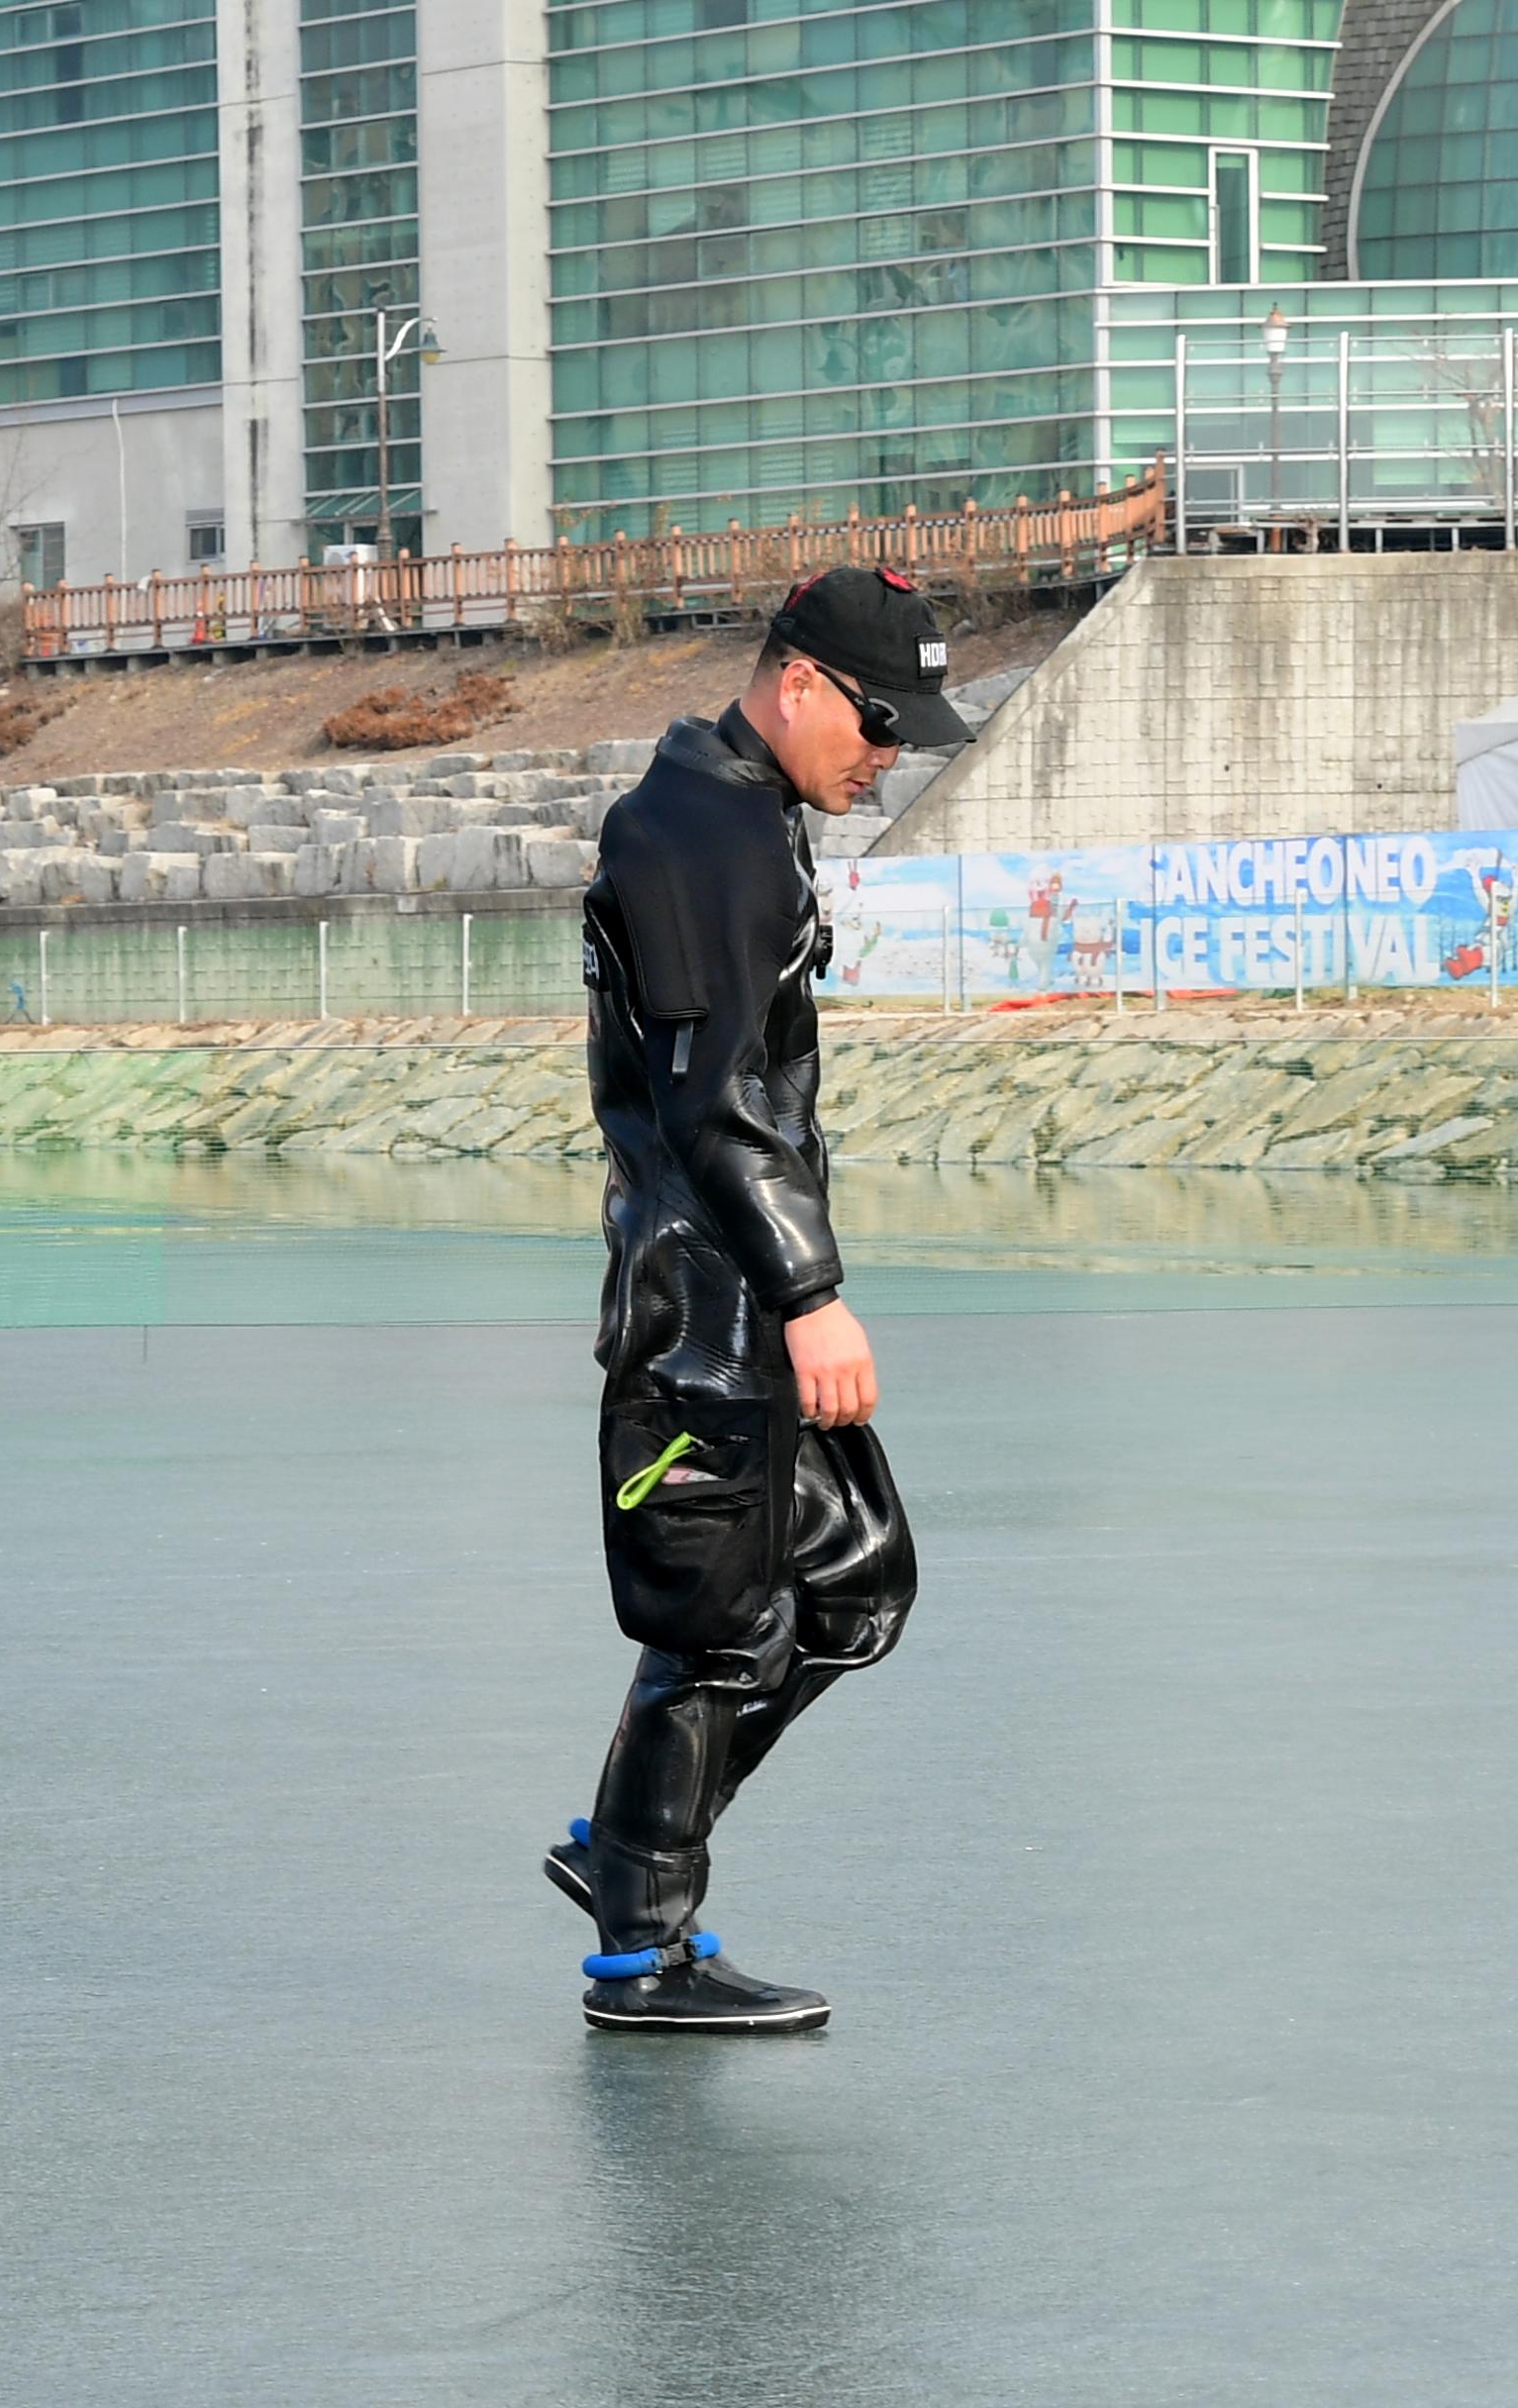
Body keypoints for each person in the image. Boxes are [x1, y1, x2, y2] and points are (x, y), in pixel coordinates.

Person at [543, 565, 968, 2034]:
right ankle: (638, 1947)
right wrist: (813, 1292)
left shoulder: (737, 814)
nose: (890, 753)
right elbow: (713, 1103)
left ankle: (625, 1841)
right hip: (706, 1312)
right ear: (795, 683)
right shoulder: (703, 832)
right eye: (876, 721)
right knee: (727, 1627)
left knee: (852, 1578)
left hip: (734, 1296)